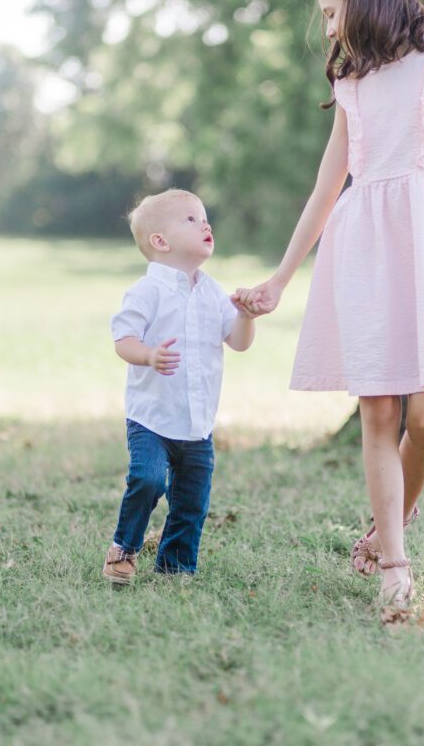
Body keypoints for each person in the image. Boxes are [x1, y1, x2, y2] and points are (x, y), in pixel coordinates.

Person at [233, 0, 424, 609]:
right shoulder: (350, 82)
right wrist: (280, 278)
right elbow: (327, 188)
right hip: (364, 247)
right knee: (378, 409)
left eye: (331, 12)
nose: (328, 29)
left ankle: (389, 525)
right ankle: (394, 563)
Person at [103, 188, 255, 585]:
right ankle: (124, 548)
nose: (205, 224)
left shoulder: (213, 292)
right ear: (160, 241)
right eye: (191, 219)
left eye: (204, 218)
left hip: (197, 422)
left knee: (192, 501)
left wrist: (246, 316)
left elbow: (238, 342)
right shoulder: (147, 291)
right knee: (148, 479)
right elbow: (123, 340)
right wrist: (149, 355)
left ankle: (175, 566)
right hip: (151, 417)